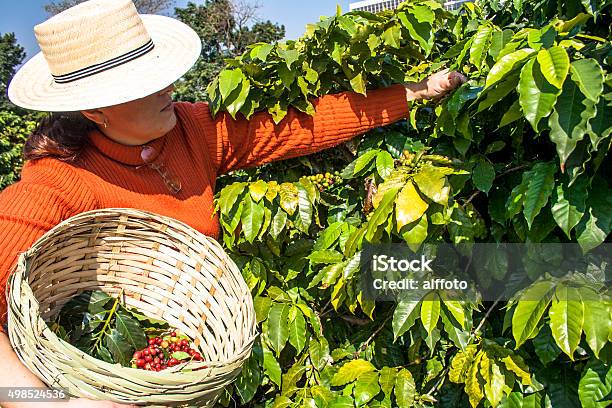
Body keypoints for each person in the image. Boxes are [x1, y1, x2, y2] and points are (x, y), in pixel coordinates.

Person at [0, 0, 466, 406]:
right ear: (94, 109)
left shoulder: (190, 128)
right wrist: (40, 401)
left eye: (160, 73)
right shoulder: (54, 187)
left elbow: (296, 129)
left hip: (190, 369)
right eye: (145, 84)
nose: (169, 89)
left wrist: (412, 94)